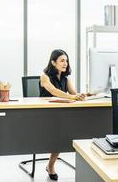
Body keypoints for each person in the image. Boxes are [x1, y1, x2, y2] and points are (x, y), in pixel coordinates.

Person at [40, 49, 85, 181]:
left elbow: (73, 93)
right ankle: (51, 165)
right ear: (53, 62)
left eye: (66, 60)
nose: (65, 63)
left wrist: (81, 96)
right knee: (59, 134)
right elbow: (54, 91)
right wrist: (73, 96)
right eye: (62, 60)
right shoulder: (44, 76)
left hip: (60, 114)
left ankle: (50, 165)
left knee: (63, 133)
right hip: (44, 114)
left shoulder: (66, 78)